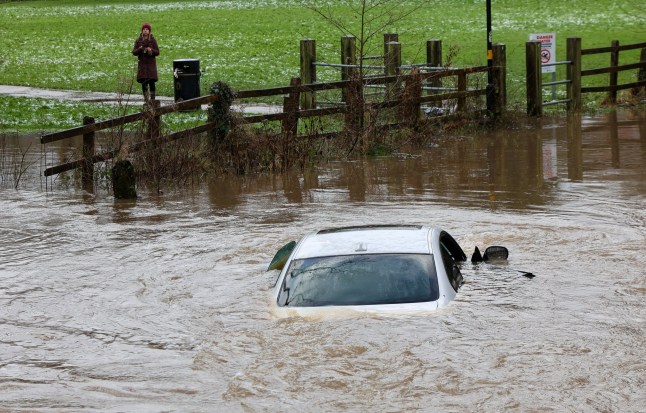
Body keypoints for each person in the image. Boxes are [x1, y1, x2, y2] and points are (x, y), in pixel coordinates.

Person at [132, 22, 159, 101]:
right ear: (142, 30)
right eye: (144, 29)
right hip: (142, 65)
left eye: (147, 29)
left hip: (151, 66)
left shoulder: (153, 40)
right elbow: (134, 52)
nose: (145, 31)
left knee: (151, 82)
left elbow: (157, 52)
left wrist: (151, 50)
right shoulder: (138, 40)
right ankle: (146, 100)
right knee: (144, 83)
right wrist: (140, 49)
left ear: (149, 31)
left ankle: (153, 100)